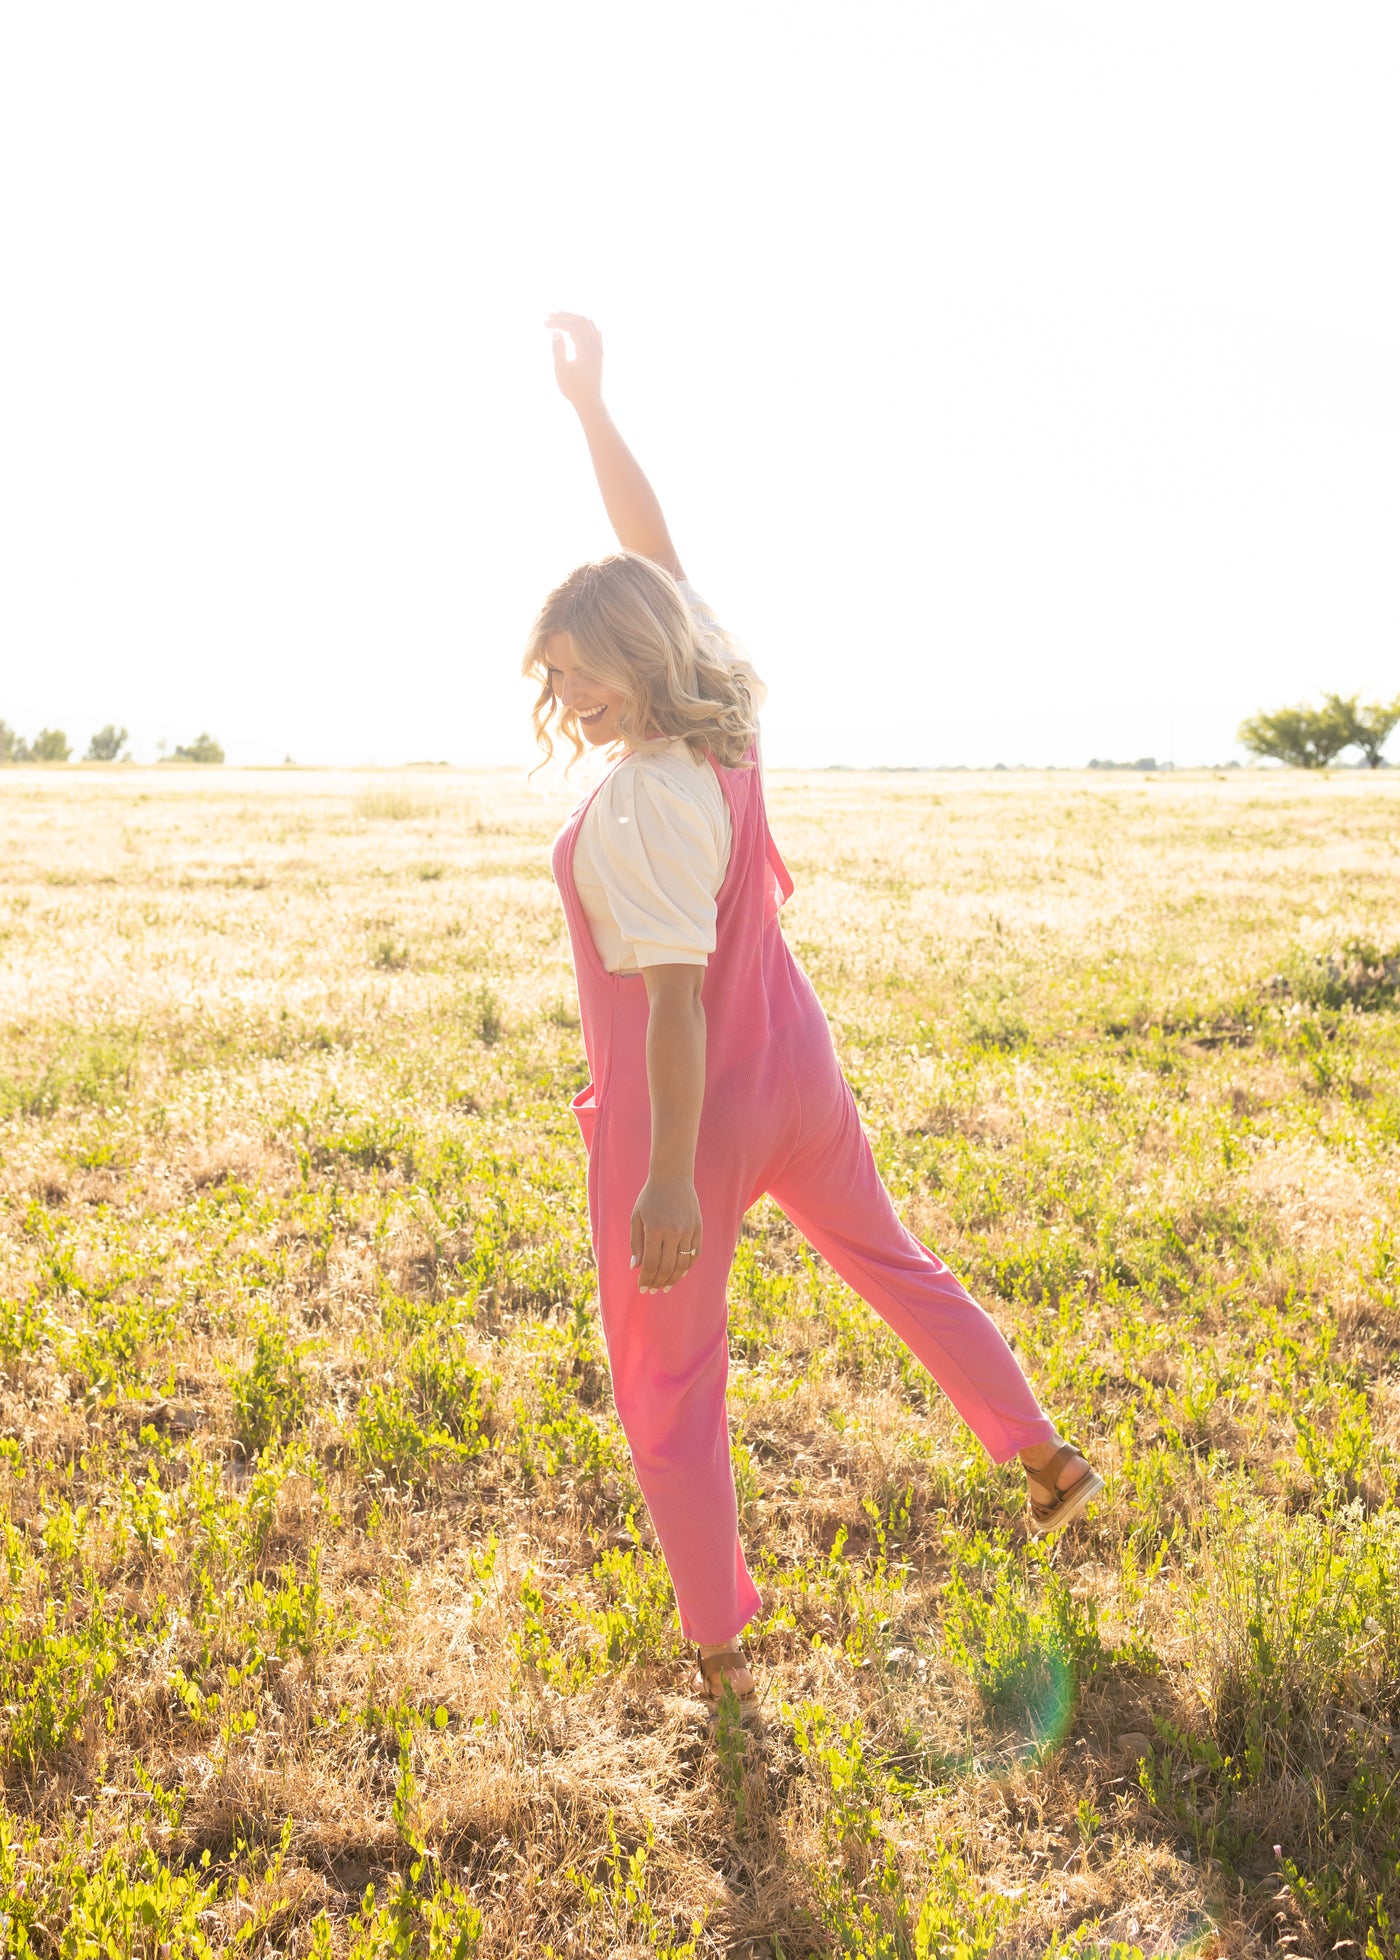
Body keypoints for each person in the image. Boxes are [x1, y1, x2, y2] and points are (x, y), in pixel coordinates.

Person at [523, 314, 1103, 1707]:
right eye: (555, 678)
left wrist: (664, 1171)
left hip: (695, 1113)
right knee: (895, 1264)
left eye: (580, 673)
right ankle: (1039, 1454)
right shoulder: (721, 716)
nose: (567, 698)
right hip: (796, 1071)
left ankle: (718, 1636)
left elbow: (669, 1004)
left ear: (637, 663)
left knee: (669, 1386)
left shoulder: (646, 796)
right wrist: (593, 412)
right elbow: (656, 560)